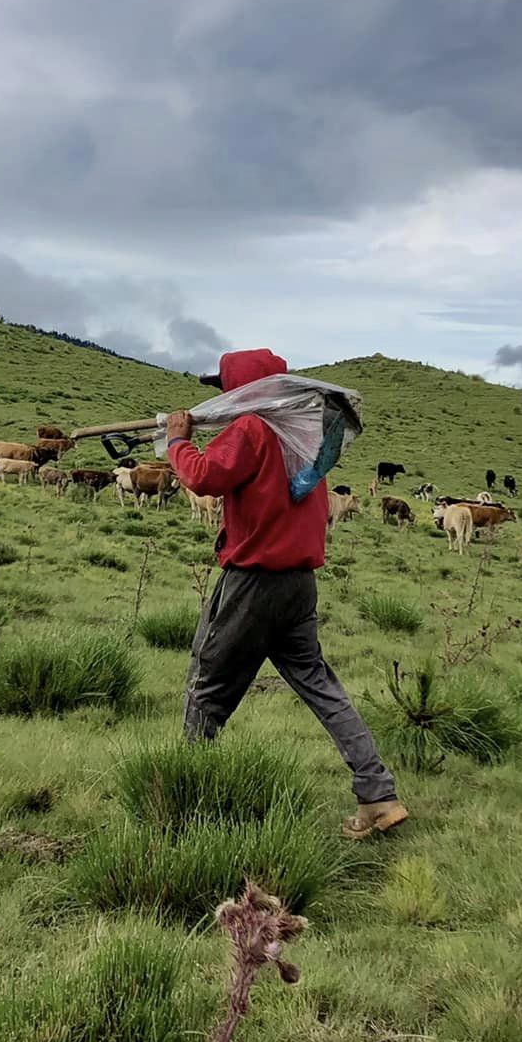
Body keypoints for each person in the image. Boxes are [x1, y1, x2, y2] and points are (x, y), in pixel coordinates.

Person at [166, 347, 407, 839]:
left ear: (247, 391)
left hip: (254, 583)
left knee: (206, 686)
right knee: (320, 686)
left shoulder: (253, 429)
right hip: (299, 584)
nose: (226, 399)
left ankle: (183, 801)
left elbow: (203, 477)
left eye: (229, 388)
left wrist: (176, 441)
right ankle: (378, 794)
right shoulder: (304, 438)